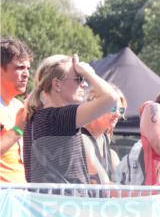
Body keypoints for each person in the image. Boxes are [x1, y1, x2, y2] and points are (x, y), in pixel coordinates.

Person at [22, 55, 119, 184]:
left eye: (84, 79)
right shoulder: (61, 117)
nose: (84, 85)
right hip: (66, 202)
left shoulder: (35, 117)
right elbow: (111, 99)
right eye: (79, 79)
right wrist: (89, 73)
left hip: (45, 201)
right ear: (57, 84)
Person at [0, 38, 31, 184]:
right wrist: (18, 129)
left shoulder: (20, 106)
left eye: (28, 68)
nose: (26, 74)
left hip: (21, 198)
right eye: (20, 68)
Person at [82, 86, 125, 183]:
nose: (118, 115)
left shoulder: (105, 141)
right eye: (113, 109)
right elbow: (104, 184)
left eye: (121, 110)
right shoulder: (82, 138)